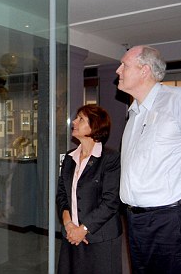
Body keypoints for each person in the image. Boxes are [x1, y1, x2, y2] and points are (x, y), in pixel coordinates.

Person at [116, 45, 181, 273]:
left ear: (144, 70)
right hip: (136, 221)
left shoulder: (179, 99)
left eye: (124, 64)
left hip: (173, 221)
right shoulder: (134, 113)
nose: (118, 70)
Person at [56, 104, 122, 274]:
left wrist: (83, 230)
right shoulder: (69, 158)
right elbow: (62, 194)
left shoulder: (110, 158)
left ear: (95, 127)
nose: (74, 123)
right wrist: (69, 225)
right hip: (71, 236)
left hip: (100, 238)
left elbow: (111, 201)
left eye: (81, 119)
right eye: (76, 118)